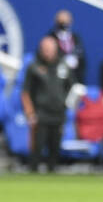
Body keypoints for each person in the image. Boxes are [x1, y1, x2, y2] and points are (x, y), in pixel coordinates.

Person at [22, 35, 71, 172]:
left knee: (55, 151)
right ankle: (32, 177)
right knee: (37, 150)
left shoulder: (63, 66)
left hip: (58, 115)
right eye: (45, 49)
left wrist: (68, 104)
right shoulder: (34, 67)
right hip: (40, 115)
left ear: (56, 49)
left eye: (50, 49)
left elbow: (72, 87)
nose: (47, 52)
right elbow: (25, 92)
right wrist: (30, 113)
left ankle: (53, 179)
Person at [49, 9, 86, 84]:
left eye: (66, 22)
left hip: (74, 79)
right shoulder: (50, 38)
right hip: (56, 80)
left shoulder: (76, 38)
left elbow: (82, 59)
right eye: (61, 23)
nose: (64, 25)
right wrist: (63, 61)